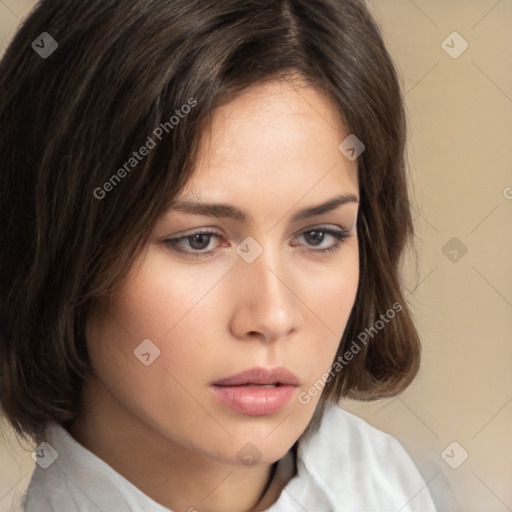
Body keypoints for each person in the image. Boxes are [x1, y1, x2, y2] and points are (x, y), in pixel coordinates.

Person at [0, 0, 438, 510]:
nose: (273, 316)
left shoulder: (412, 489)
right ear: (55, 246)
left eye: (318, 235)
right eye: (199, 240)